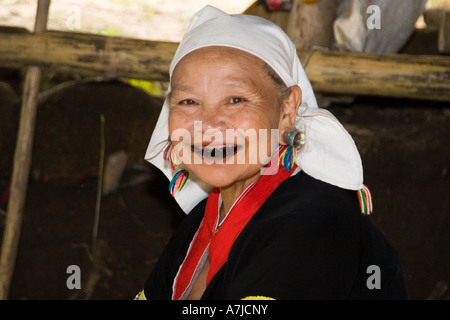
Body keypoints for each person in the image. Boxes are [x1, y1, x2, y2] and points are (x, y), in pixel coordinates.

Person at [136, 5, 408, 300]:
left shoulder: (312, 220)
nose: (208, 125)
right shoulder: (204, 219)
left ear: (287, 109)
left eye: (236, 99)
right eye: (188, 102)